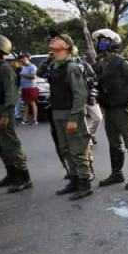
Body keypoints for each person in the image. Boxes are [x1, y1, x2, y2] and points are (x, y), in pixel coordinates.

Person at [37, 32, 93, 200]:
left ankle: (85, 183)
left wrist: (74, 118)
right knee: (65, 150)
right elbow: (39, 73)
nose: (54, 40)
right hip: (57, 113)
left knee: (78, 150)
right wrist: (49, 58)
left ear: (66, 46)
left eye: (58, 39)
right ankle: (74, 180)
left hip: (70, 114)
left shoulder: (71, 67)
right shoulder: (55, 65)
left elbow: (80, 95)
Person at [93, 28, 128, 190]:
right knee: (114, 142)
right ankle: (117, 173)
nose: (101, 43)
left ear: (113, 43)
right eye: (100, 41)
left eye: (105, 41)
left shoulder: (122, 62)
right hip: (108, 108)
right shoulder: (101, 64)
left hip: (122, 109)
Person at [0, 34, 32, 192]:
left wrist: (6, 114)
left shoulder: (5, 68)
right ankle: (11, 174)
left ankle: (24, 177)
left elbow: (11, 93)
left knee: (11, 145)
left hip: (2, 110)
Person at [18, 52, 38, 125]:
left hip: (31, 87)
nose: (22, 61)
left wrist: (23, 74)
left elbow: (33, 76)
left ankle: (35, 120)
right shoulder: (23, 67)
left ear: (27, 58)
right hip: (24, 87)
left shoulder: (32, 67)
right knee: (25, 103)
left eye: (23, 59)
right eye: (21, 60)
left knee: (32, 102)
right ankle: (25, 120)